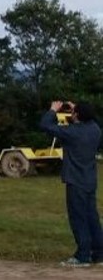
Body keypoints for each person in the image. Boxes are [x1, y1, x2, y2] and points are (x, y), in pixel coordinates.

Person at [40, 100, 102, 267]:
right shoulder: (95, 130)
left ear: (77, 115)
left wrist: (53, 110)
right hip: (90, 179)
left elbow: (46, 125)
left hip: (75, 180)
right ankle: (99, 253)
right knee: (92, 217)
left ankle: (83, 255)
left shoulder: (72, 132)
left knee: (78, 218)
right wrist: (78, 109)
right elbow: (90, 119)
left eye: (74, 112)